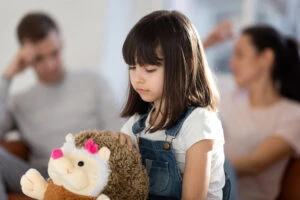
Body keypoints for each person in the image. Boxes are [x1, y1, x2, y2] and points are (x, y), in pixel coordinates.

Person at [0, 12, 122, 199]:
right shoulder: (20, 102)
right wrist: (7, 77)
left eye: (54, 53)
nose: (50, 65)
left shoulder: (93, 82)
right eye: (39, 58)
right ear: (25, 58)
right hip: (43, 176)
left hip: (89, 171)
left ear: (61, 42)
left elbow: (119, 134)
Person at [113, 10, 227, 200]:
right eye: (132, 67)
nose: (137, 78)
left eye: (149, 69)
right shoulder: (137, 124)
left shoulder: (200, 123)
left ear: (187, 66)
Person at [219, 25, 300, 200]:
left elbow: (254, 164)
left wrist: (197, 166)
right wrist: (207, 43)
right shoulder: (226, 96)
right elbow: (182, 82)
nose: (231, 63)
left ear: (266, 58)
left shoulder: (293, 115)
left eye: (239, 55)